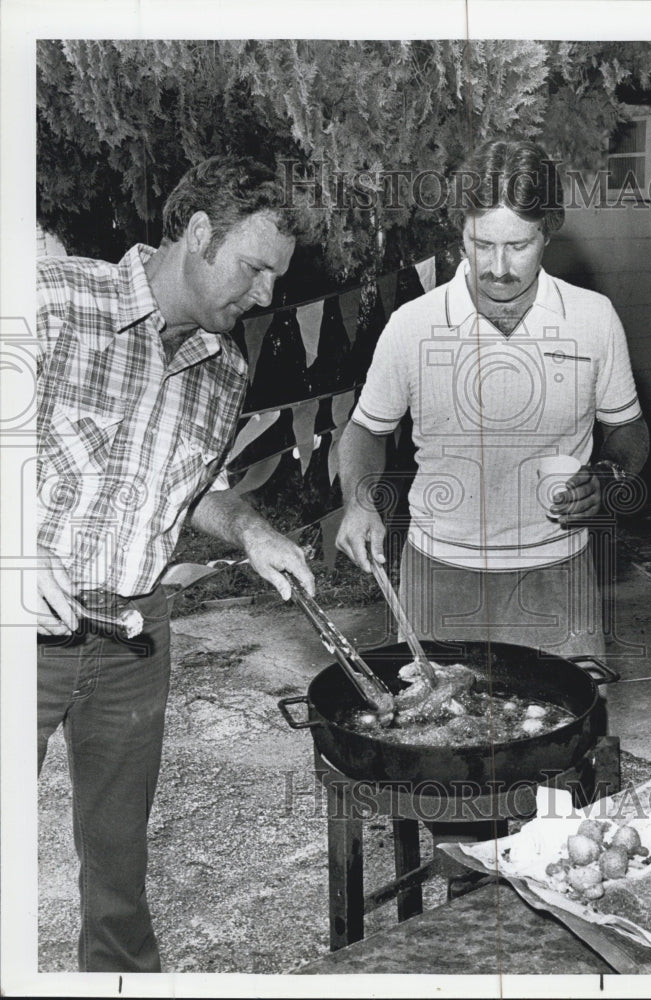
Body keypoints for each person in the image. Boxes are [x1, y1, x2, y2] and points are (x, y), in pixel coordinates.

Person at [36, 155, 315, 972]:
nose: (266, 295)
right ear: (198, 234)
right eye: (253, 268)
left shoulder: (223, 368)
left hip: (133, 635)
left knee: (119, 866)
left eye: (276, 277)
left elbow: (195, 486)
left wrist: (253, 531)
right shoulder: (56, 301)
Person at [336, 138, 649, 660]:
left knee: (565, 734)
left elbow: (629, 429)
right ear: (460, 231)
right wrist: (360, 502)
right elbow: (366, 429)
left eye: (518, 246)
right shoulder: (412, 325)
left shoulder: (594, 318)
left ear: (548, 230)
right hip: (437, 575)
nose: (498, 267)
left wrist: (607, 476)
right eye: (482, 244)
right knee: (433, 733)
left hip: (558, 575)